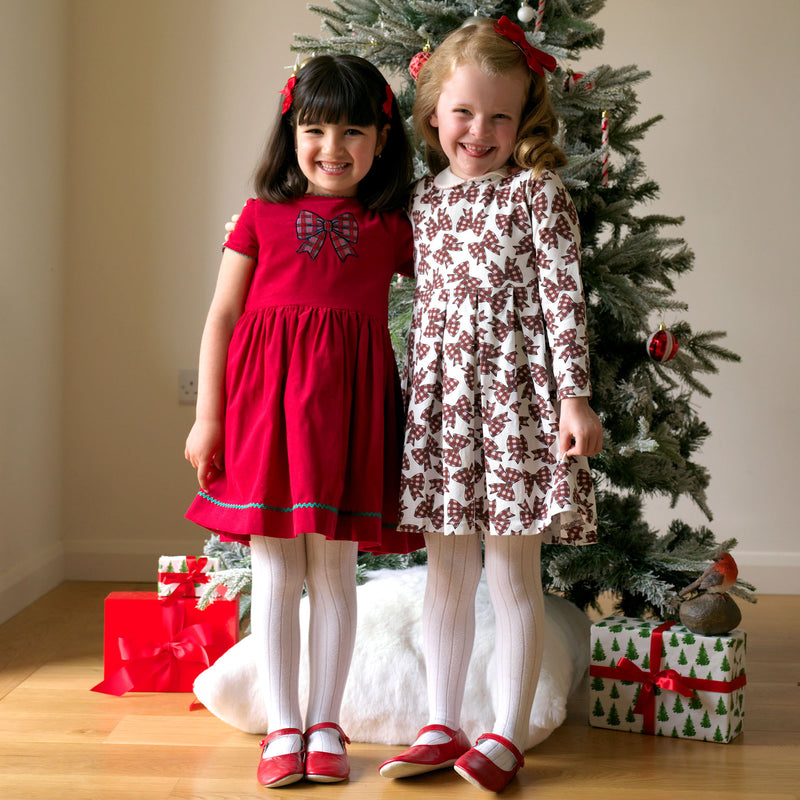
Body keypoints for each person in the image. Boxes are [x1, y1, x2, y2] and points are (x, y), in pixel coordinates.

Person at [184, 54, 423, 789]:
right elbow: (222, 316)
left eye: (353, 131)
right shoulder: (258, 218)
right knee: (277, 571)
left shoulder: (392, 226)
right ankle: (283, 724)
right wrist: (207, 417)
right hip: (264, 415)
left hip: (350, 416)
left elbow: (454, 276)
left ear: (381, 139)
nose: (332, 148)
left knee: (336, 572)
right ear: (291, 135)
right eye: (315, 130)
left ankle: (325, 722)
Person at [379, 16, 603, 792]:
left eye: (500, 116)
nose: (480, 132)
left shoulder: (536, 194)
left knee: (511, 573)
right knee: (444, 570)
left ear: (524, 119)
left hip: (516, 407)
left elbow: (564, 300)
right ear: (434, 113)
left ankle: (506, 731)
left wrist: (574, 400)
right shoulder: (421, 201)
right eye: (464, 113)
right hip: (441, 408)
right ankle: (441, 722)